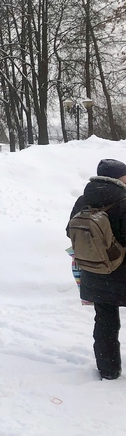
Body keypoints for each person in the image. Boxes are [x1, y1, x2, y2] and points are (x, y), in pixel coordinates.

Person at [68, 159, 126, 380]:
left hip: (95, 273)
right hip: (123, 273)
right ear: (117, 177)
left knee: (104, 323)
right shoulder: (123, 201)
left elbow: (69, 232)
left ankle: (108, 370)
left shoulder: (84, 200)